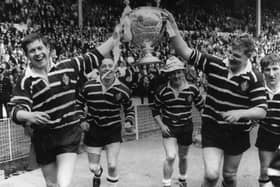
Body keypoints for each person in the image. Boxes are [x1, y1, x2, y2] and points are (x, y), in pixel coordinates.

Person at [166, 13, 267, 187]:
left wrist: (240, 113)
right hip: (212, 129)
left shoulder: (255, 77)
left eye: (238, 56)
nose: (232, 58)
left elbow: (262, 110)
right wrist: (172, 26)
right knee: (211, 175)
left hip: (238, 134)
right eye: (231, 53)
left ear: (248, 56)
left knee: (229, 176)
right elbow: (184, 51)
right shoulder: (215, 64)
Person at [10, 32, 115, 187]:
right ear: (26, 55)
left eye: (40, 48)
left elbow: (94, 56)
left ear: (48, 49)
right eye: (32, 51)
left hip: (68, 135)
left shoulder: (67, 67)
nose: (37, 53)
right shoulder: (25, 81)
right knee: (52, 185)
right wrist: (28, 115)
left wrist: (116, 36)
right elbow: (15, 110)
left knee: (63, 184)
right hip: (43, 139)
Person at [77, 58, 135, 187]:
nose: (107, 68)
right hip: (93, 130)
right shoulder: (88, 86)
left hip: (112, 130)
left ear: (115, 69)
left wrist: (129, 121)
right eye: (104, 66)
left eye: (110, 66)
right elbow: (78, 105)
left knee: (112, 165)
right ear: (99, 69)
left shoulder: (123, 89)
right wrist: (82, 120)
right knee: (92, 167)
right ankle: (98, 172)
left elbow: (129, 108)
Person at [151, 56, 204, 187]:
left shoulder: (193, 89)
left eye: (178, 72)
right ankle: (166, 183)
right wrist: (162, 126)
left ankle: (182, 180)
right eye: (172, 73)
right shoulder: (162, 90)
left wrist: (202, 131)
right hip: (169, 128)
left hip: (186, 127)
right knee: (170, 156)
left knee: (183, 157)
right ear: (168, 75)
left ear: (183, 71)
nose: (176, 76)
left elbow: (202, 109)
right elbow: (155, 111)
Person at [256, 53, 280, 187]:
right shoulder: (258, 91)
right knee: (265, 172)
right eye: (267, 70)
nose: (271, 74)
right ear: (262, 71)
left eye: (275, 68)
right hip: (266, 134)